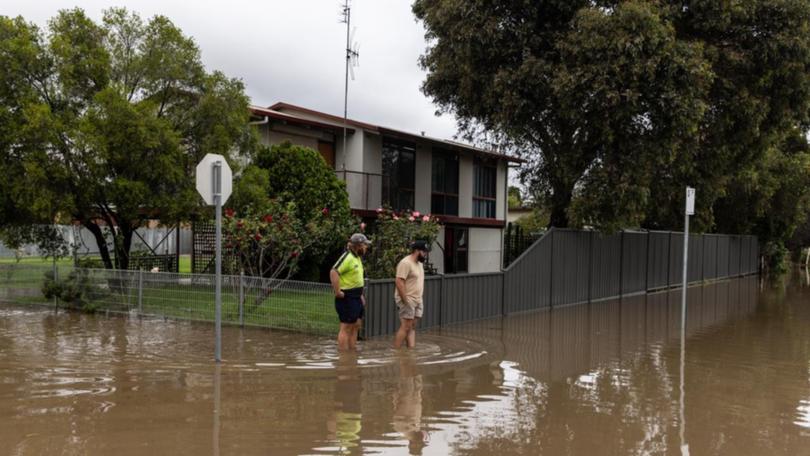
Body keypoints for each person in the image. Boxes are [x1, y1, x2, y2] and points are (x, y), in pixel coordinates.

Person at [330, 233, 371, 350]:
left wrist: (360, 295)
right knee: (346, 327)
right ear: (358, 245)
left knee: (356, 325)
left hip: (356, 297)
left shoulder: (357, 258)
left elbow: (356, 279)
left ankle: (352, 353)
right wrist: (337, 291)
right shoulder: (347, 257)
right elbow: (334, 271)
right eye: (365, 245)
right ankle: (343, 358)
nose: (366, 248)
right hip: (346, 297)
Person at [393, 240, 428, 349]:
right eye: (424, 252)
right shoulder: (405, 263)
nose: (426, 254)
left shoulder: (419, 264)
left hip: (417, 299)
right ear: (417, 251)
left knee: (412, 326)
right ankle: (396, 352)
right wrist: (405, 300)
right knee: (406, 326)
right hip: (407, 299)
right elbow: (399, 281)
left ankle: (410, 352)